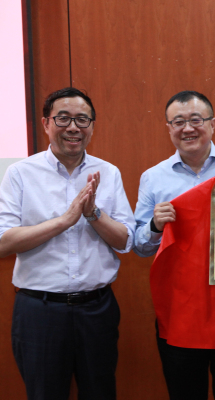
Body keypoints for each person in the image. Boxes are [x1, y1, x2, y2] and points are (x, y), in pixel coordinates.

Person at [0, 87, 135, 400]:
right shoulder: (20, 173)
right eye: (63, 118)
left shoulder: (108, 172)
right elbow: (3, 242)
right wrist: (64, 221)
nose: (73, 127)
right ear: (46, 123)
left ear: (92, 126)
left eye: (82, 119)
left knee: (100, 392)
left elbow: (125, 241)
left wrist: (93, 214)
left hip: (97, 309)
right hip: (39, 311)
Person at [133, 90, 215, 400]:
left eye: (196, 120)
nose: (187, 128)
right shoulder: (153, 177)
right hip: (180, 309)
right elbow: (139, 246)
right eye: (178, 122)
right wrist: (154, 225)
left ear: (212, 124)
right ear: (168, 128)